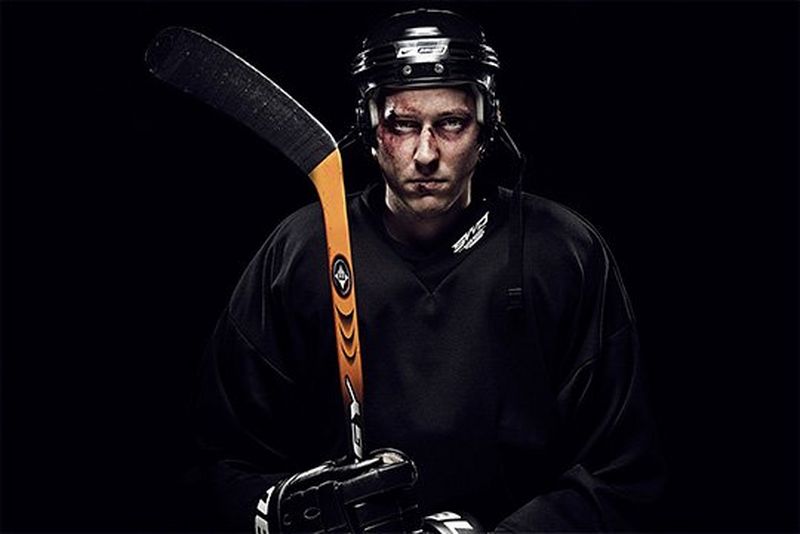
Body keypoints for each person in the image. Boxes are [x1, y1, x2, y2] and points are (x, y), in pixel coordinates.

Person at [188, 8, 666, 533]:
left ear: (488, 127)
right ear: (369, 128)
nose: (425, 153)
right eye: (402, 124)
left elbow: (623, 472)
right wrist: (276, 510)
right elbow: (218, 455)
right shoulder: (301, 251)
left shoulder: (565, 253)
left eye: (451, 124)